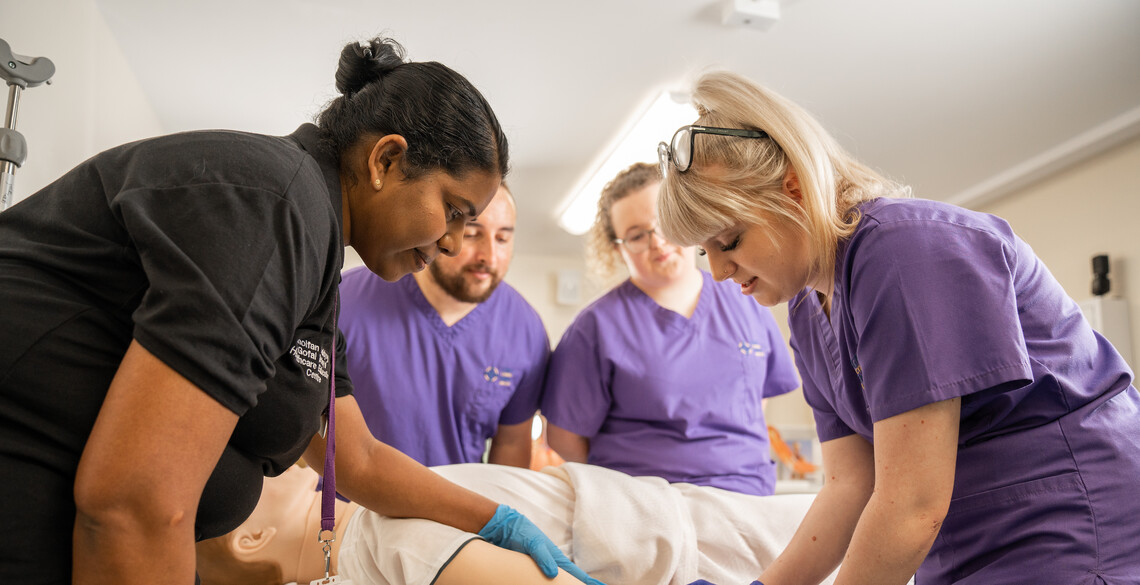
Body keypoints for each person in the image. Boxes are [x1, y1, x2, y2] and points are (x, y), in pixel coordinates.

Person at [0, 36, 597, 585]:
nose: (454, 242)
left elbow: (356, 459)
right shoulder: (274, 209)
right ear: (385, 161)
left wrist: (500, 520)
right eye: (455, 210)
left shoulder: (314, 273)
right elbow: (135, 502)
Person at [655, 71, 1140, 584]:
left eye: (728, 241)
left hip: (1069, 528)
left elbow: (911, 505)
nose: (718, 272)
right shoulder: (806, 309)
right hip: (961, 544)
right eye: (703, 252)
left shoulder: (905, 253)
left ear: (792, 187)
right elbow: (850, 487)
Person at [541, 162, 800, 496]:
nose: (657, 243)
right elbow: (564, 435)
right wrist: (624, 486)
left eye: (663, 224)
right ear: (618, 249)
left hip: (745, 497)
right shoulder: (595, 328)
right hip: (646, 504)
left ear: (686, 218)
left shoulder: (746, 295)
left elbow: (756, 400)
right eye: (636, 235)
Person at [196, 462, 839, 585]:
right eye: (248, 484)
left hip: (679, 528)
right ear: (252, 537)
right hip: (698, 549)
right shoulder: (384, 537)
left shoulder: (371, 515)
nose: (268, 465)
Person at [339, 182, 547, 468]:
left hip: (455, 507)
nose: (489, 256)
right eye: (473, 234)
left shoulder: (525, 331)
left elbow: (512, 443)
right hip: (349, 508)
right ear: (434, 230)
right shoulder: (345, 301)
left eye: (502, 239)